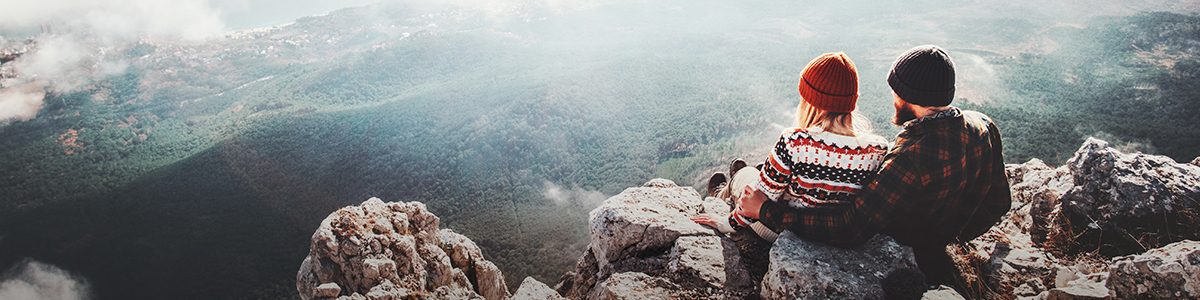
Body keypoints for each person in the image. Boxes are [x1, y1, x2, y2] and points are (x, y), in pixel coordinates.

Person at [736, 45, 1013, 296]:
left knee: (748, 178)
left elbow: (849, 226)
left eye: (895, 90)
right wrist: (952, 235)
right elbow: (1000, 202)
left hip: (907, 255)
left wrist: (766, 211)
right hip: (939, 242)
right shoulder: (983, 126)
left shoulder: (908, 160)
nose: (892, 97)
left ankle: (732, 185)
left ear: (908, 96)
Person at [693, 51, 888, 245]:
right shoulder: (878, 150)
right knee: (760, 175)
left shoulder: (794, 142)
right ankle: (757, 176)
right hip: (834, 236)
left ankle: (720, 195)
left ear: (811, 101)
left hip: (782, 232)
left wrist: (725, 223)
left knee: (746, 175)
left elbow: (757, 201)